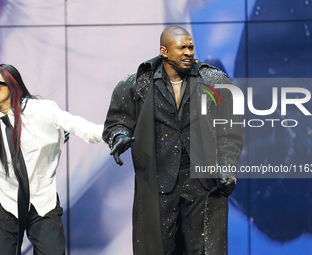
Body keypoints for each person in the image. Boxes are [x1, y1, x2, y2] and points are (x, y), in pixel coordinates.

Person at [103, 26, 244, 255]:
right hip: (159, 181)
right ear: (164, 51)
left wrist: (228, 167)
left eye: (191, 47)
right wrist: (118, 136)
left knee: (204, 248)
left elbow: (230, 132)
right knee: (161, 248)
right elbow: (117, 120)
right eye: (182, 47)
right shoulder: (139, 82)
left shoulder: (214, 80)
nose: (189, 52)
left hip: (202, 182)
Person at [0, 64, 104, 255]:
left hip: (41, 201)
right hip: (6, 202)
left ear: (12, 84)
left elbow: (79, 126)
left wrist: (112, 132)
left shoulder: (39, 110)